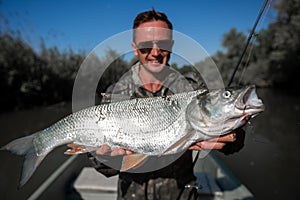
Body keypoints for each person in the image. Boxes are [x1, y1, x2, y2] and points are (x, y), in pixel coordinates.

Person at [88, 9, 243, 199]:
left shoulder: (192, 89)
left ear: (171, 45)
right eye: (145, 46)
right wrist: (104, 158)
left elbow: (230, 136)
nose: (155, 53)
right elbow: (99, 164)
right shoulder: (115, 93)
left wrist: (233, 138)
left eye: (162, 44)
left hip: (181, 194)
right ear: (135, 48)